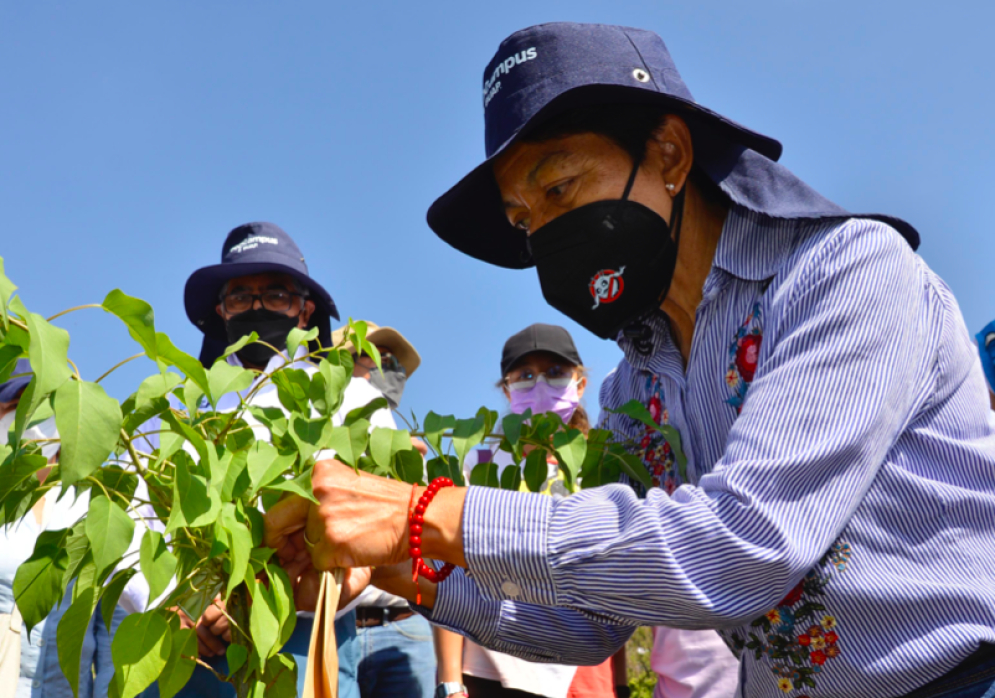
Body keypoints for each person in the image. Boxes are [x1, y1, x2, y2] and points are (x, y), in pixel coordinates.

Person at [267, 23, 995, 698]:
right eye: (524, 221)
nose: (545, 234)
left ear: (669, 155)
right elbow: (589, 620)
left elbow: (744, 546)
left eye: (557, 189)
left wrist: (427, 512)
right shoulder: (636, 385)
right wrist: (408, 570)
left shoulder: (843, 273)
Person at [138, 222, 395, 698]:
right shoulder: (180, 407)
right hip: (187, 641)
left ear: (304, 311)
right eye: (240, 296)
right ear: (221, 311)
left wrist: (262, 602)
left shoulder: (353, 401)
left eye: (275, 295)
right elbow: (142, 523)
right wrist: (176, 604)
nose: (257, 307)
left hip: (299, 638)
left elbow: (375, 528)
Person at [435, 323, 736, 698]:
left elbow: (621, 573)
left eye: (556, 373)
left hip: (584, 668)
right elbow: (447, 565)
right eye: (525, 375)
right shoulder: (481, 462)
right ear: (506, 388)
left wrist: (621, 681)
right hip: (496, 664)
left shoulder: (605, 461)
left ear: (580, 384)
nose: (540, 384)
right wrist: (450, 679)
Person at [0, 360, 132, 698]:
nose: (15, 420)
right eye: (5, 409)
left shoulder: (94, 509)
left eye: (26, 406)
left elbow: (112, 631)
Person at [328, 322, 437, 698]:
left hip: (403, 624)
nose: (379, 369)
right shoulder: (315, 435)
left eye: (391, 363)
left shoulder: (410, 447)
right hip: (334, 621)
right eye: (367, 355)